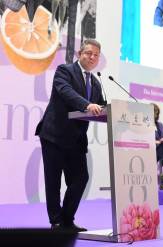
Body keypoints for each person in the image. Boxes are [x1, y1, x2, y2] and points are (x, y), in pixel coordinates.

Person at [35, 39, 105, 231]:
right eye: (88, 53)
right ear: (79, 54)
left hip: (76, 139)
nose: (92, 57)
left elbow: (102, 106)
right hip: (54, 134)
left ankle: (67, 219)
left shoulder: (96, 83)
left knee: (80, 178)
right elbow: (66, 92)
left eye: (96, 55)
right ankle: (56, 222)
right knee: (53, 180)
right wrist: (86, 105)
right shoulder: (64, 71)